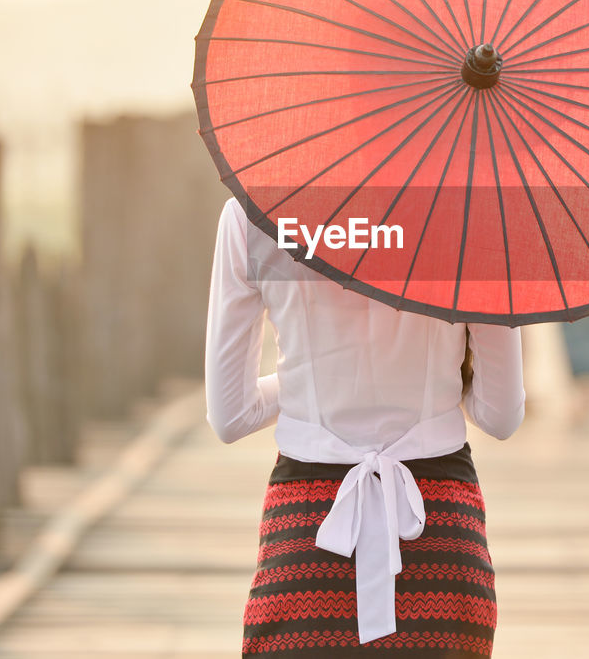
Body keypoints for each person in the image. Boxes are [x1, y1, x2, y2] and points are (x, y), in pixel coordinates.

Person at [205, 197, 526, 657]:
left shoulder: (253, 212)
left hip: (306, 541)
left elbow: (231, 415)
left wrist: (306, 383)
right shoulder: (476, 215)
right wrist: (433, 375)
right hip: (441, 538)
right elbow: (501, 414)